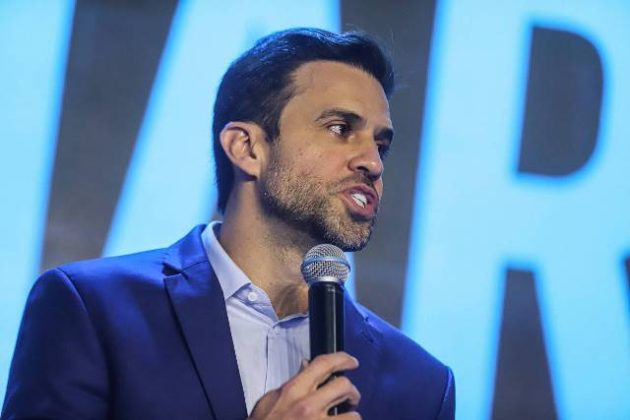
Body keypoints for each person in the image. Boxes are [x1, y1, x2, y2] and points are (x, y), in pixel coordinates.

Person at [2, 28, 455, 419]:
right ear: (246, 148)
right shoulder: (91, 310)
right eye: (340, 128)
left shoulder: (422, 384)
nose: (372, 162)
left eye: (381, 144)